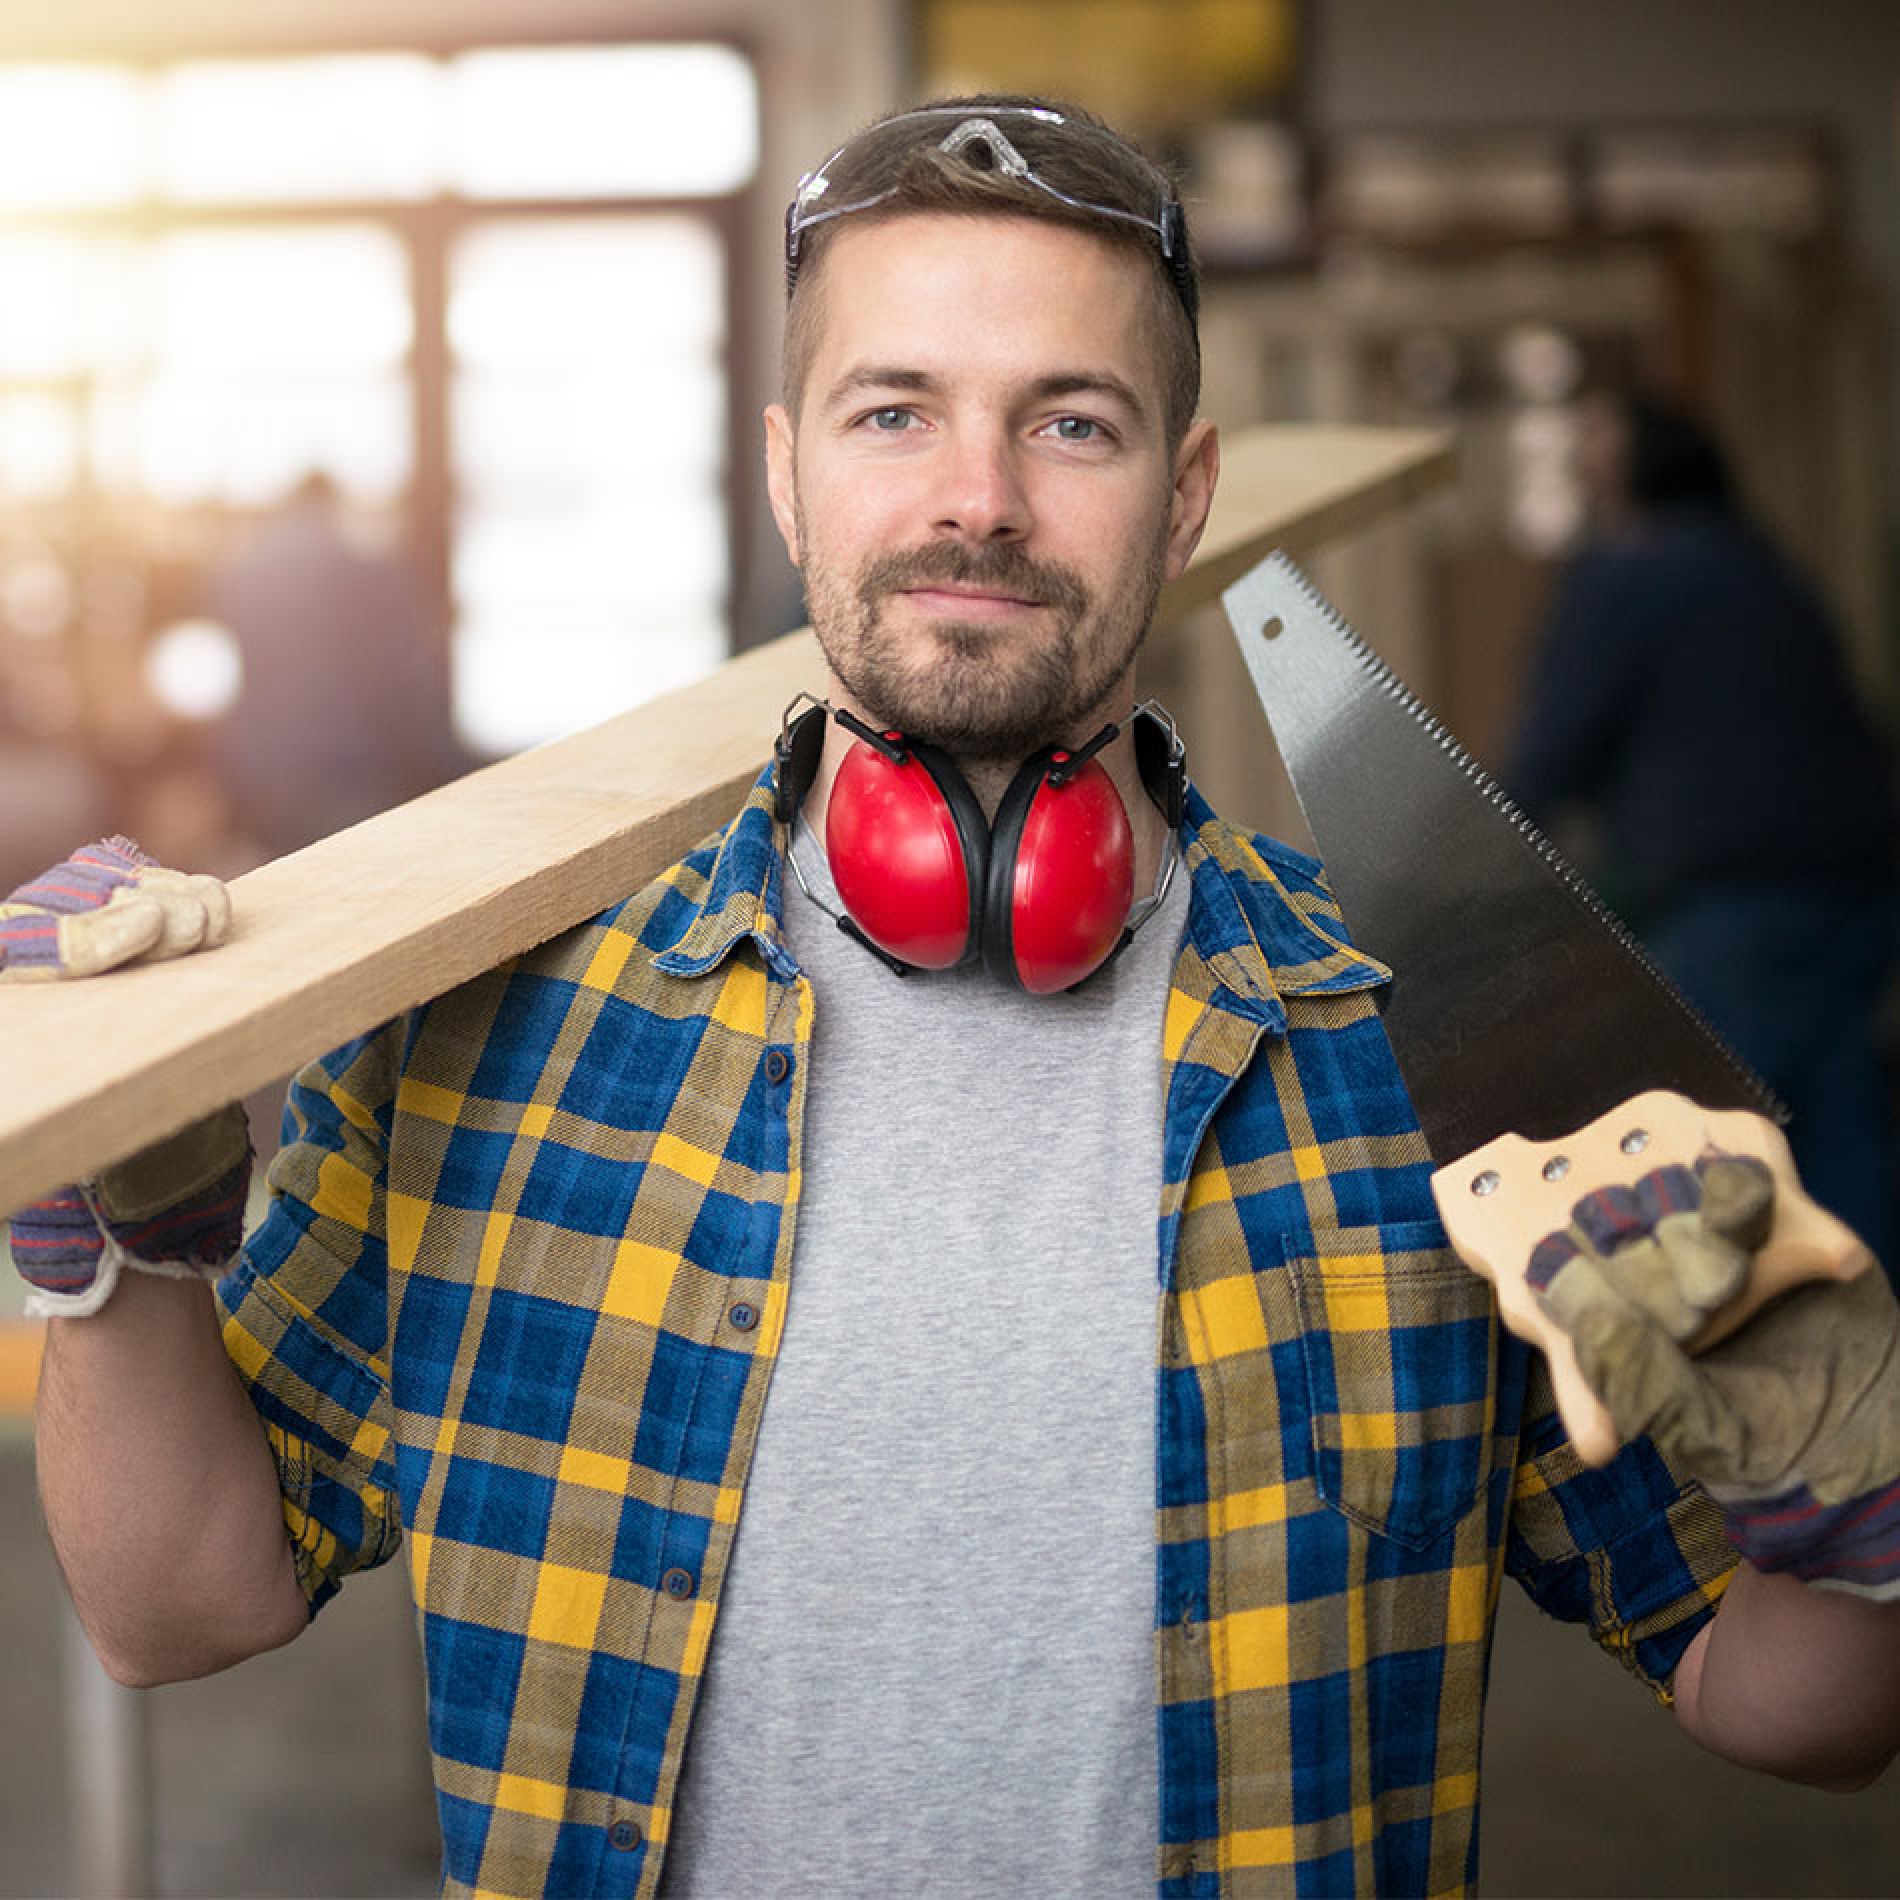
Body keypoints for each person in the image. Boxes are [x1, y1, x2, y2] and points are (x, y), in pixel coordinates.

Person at [11, 99, 1900, 1900]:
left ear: (1189, 494)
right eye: (894, 411)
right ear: (786, 470)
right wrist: (113, 1232)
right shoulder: (491, 1024)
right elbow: (178, 1603)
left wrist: (1862, 1524)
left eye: (1070, 424)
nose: (976, 501)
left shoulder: (1428, 1049)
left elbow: (1786, 1705)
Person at [1507, 387, 1900, 1274]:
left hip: (1733, 914)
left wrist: (1457, 878)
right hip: (1856, 901)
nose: (1581, 464)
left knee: (1716, 1180)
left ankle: (1754, 1401)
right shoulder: (1771, 571)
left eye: (1596, 447)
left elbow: (1551, 745)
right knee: (1839, 1161)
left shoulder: (1632, 570)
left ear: (1638, 466)